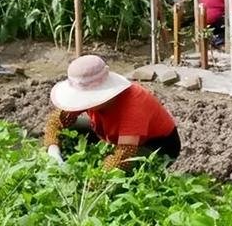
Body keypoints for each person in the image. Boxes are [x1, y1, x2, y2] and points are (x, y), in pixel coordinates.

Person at [43, 55, 180, 172]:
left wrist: (91, 182)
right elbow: (57, 121)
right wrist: (53, 149)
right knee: (68, 131)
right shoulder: (88, 95)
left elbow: (124, 156)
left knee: (130, 172)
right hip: (110, 135)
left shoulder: (133, 104)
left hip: (155, 146)